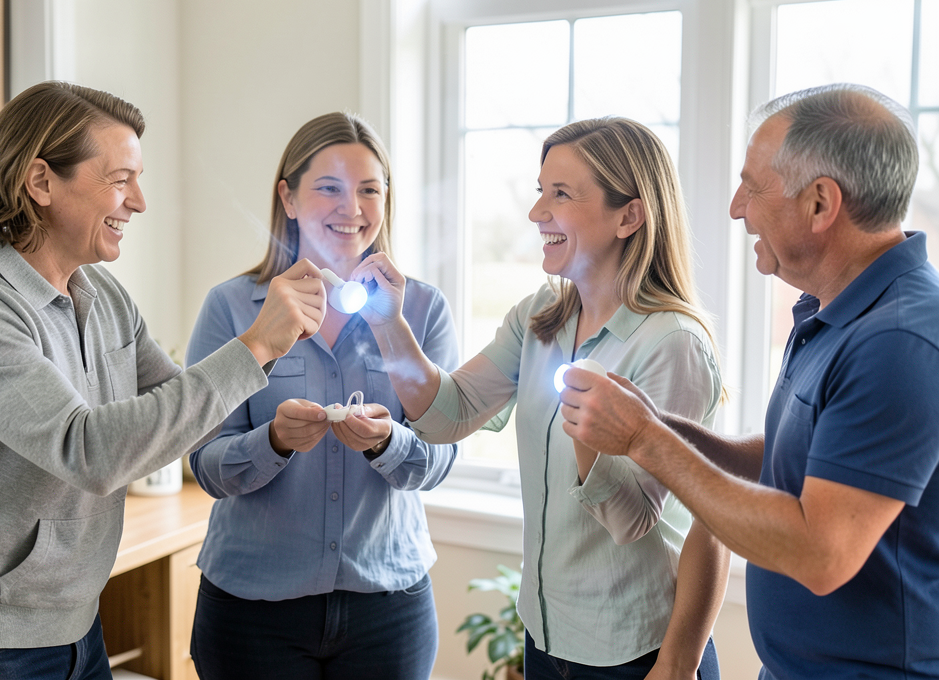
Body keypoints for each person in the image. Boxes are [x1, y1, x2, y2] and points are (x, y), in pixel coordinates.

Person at [0, 81, 326, 680]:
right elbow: (90, 451)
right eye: (119, 179)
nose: (139, 201)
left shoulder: (101, 293)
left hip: (77, 623)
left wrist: (277, 407)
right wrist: (254, 343)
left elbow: (178, 412)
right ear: (41, 182)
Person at [559, 84, 939, 679]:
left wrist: (643, 441)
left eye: (753, 187)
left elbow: (821, 554)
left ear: (820, 203)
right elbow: (792, 463)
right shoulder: (830, 313)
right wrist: (661, 425)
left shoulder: (898, 343)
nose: (737, 207)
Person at [354, 117, 729, 680]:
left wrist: (591, 436)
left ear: (629, 215)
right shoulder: (540, 318)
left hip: (637, 652)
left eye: (561, 194)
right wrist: (389, 326)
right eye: (540, 192)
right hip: (546, 635)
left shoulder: (672, 343)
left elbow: (634, 521)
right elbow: (447, 413)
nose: (536, 213)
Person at [186, 112, 458, 680]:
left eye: (368, 190)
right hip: (251, 614)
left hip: (390, 612)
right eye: (329, 188)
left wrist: (389, 443)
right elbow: (206, 466)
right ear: (287, 197)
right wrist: (274, 442)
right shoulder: (233, 308)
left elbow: (439, 461)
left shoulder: (424, 310)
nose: (352, 208)